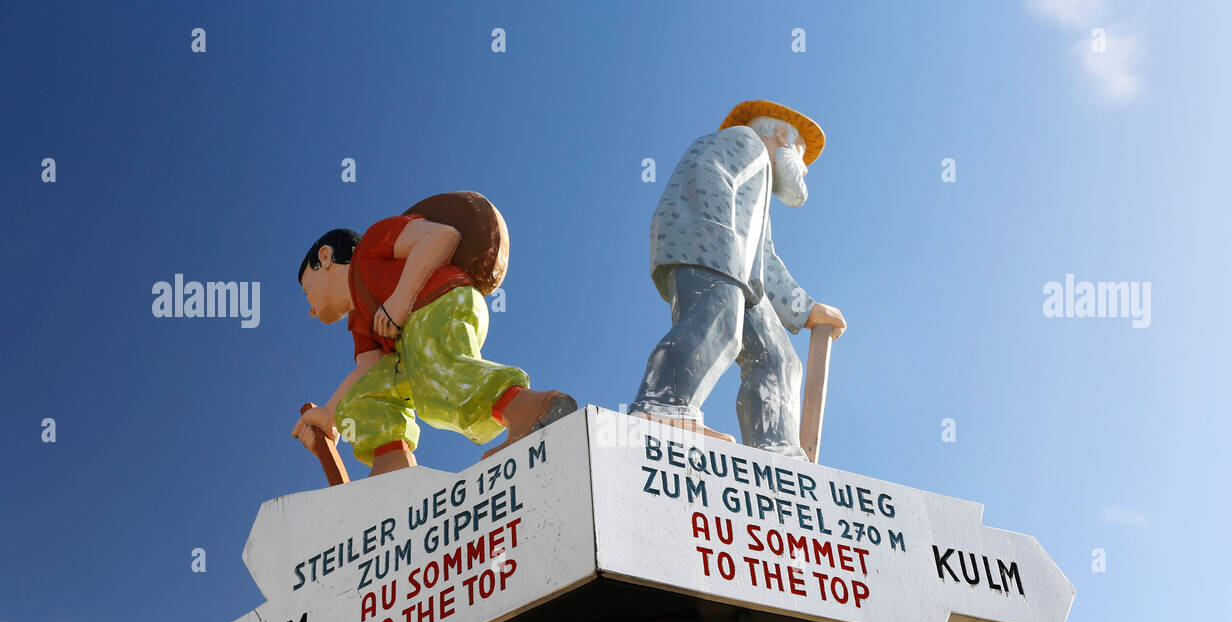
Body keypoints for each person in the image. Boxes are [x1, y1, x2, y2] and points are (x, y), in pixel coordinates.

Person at [629, 100, 847, 459]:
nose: (803, 172)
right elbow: (704, 177)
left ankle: (775, 448)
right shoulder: (743, 142)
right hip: (709, 247)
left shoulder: (760, 188)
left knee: (778, 359)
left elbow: (765, 260)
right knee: (715, 324)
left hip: (743, 275)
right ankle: (661, 406)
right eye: (801, 157)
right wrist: (719, 252)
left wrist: (807, 310)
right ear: (781, 133)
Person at [292, 213, 575, 475]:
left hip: (440, 301)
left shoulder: (373, 244)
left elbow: (441, 237)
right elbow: (367, 368)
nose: (310, 309)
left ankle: (533, 410)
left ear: (326, 257)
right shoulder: (360, 320)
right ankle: (392, 470)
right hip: (409, 346)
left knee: (436, 374)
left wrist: (401, 300)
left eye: (307, 291)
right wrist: (330, 414)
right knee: (361, 398)